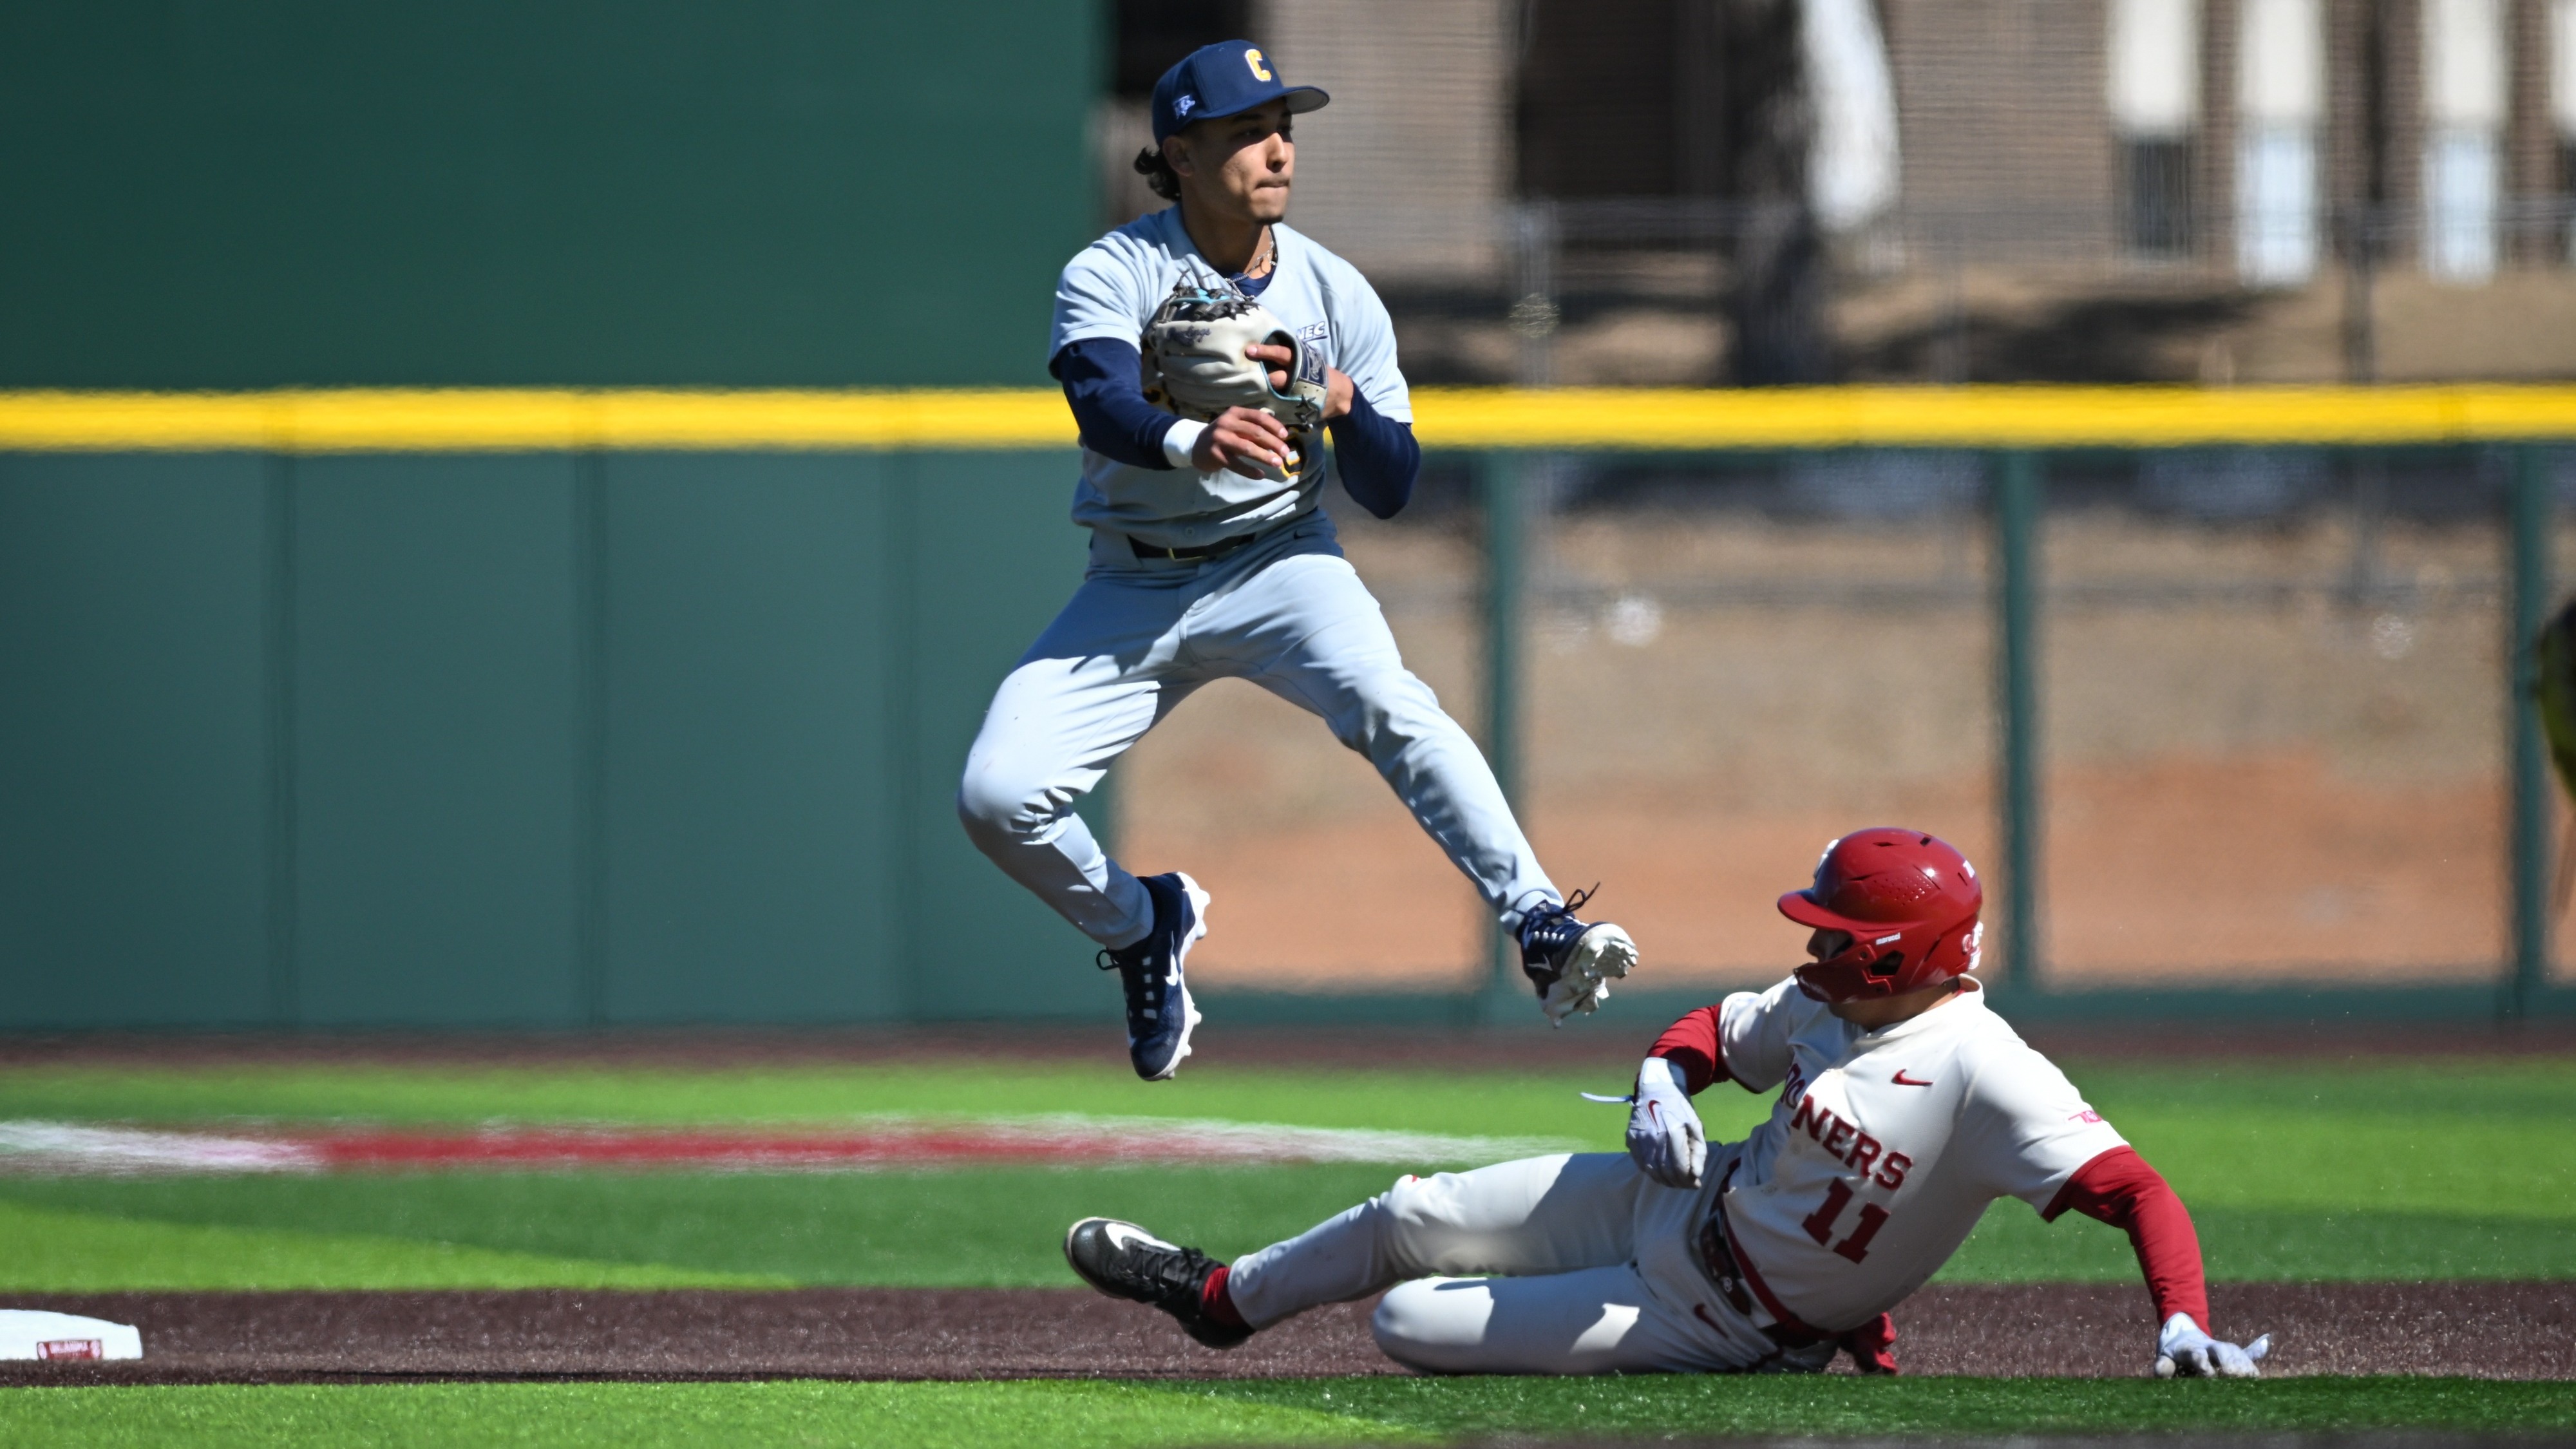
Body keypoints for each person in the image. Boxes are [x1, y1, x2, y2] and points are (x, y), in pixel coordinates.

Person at [956, 41, 1637, 1081]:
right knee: (998, 797)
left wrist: (1342, 404)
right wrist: (1193, 435)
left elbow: (1395, 484)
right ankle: (1144, 921)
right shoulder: (1116, 268)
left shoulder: (1337, 291)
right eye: (1244, 132)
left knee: (1390, 700)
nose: (1276, 149)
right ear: (1178, 156)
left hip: (1281, 561)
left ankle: (1537, 918)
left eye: (1284, 126)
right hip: (1134, 578)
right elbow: (1098, 395)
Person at [1061, 829, 2273, 1378]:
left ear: (1903, 956)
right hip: (1677, 1203)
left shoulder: (1986, 1068)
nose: (1815, 946)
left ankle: (1817, 1346)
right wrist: (1657, 1080)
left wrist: (2180, 1318)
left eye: (1842, 933)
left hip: (1723, 1319)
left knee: (1410, 1321)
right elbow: (1708, 1034)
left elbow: (2139, 1190)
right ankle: (1221, 1301)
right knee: (1410, 1212)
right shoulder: (1827, 1005)